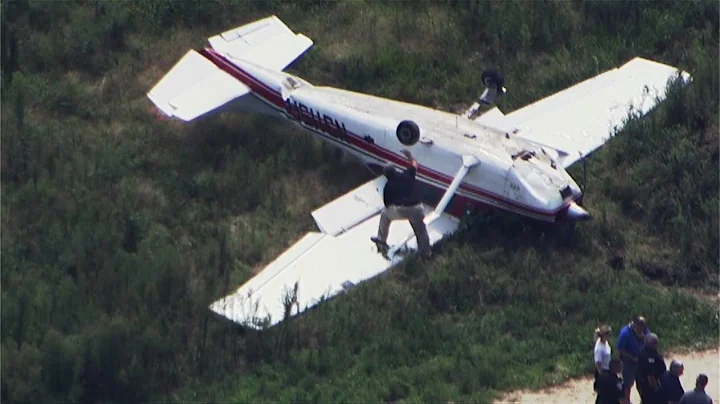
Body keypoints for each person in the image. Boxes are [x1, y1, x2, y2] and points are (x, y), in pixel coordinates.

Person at [371, 149, 431, 258]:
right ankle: (426, 252)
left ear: (386, 175)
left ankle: (381, 241)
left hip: (402, 209)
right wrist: (409, 156)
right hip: (418, 208)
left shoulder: (388, 187)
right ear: (395, 170)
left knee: (385, 214)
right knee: (420, 230)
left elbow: (388, 205)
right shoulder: (407, 175)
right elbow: (414, 164)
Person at [618, 315, 651, 401]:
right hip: (629, 362)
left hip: (642, 361)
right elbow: (621, 350)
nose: (641, 329)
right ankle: (626, 400)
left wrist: (644, 337)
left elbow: (649, 338)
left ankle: (644, 399)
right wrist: (633, 358)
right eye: (639, 327)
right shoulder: (625, 333)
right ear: (634, 324)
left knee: (642, 382)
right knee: (627, 384)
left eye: (643, 327)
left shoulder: (643, 329)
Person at [637, 333, 667, 404]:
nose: (656, 344)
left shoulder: (653, 352)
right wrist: (656, 389)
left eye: (657, 342)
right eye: (654, 342)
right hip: (648, 387)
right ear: (648, 343)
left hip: (652, 384)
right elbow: (650, 376)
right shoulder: (647, 356)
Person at [595, 325, 613, 390]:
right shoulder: (599, 348)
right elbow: (597, 363)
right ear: (604, 335)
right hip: (603, 371)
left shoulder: (605, 342)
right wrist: (602, 375)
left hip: (608, 369)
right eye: (609, 334)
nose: (610, 336)